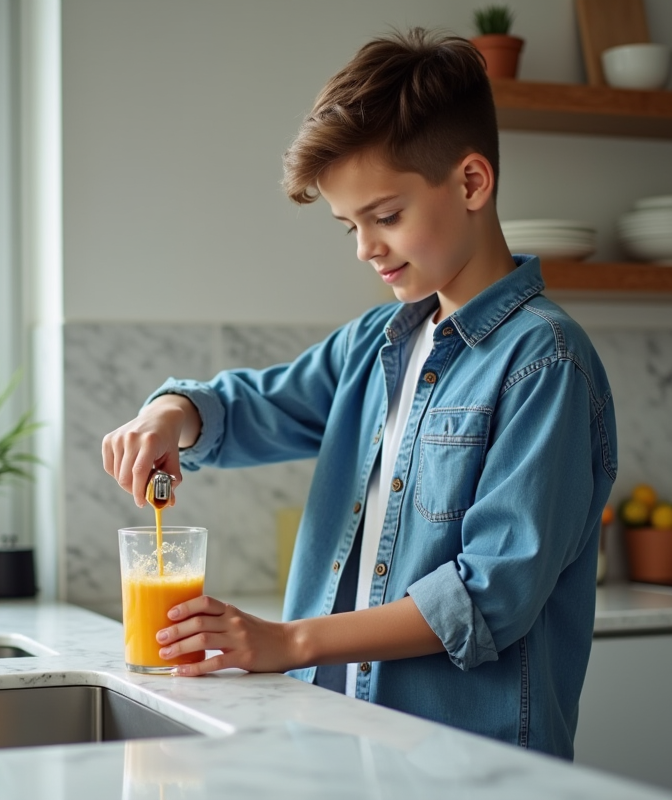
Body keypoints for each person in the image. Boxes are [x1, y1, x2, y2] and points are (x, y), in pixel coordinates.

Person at [101, 28, 616, 761]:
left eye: (386, 216)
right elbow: (254, 406)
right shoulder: (377, 344)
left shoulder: (545, 363)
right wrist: (169, 413)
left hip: (471, 767)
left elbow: (485, 596)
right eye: (349, 225)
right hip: (342, 744)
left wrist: (287, 641)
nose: (365, 248)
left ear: (471, 183)